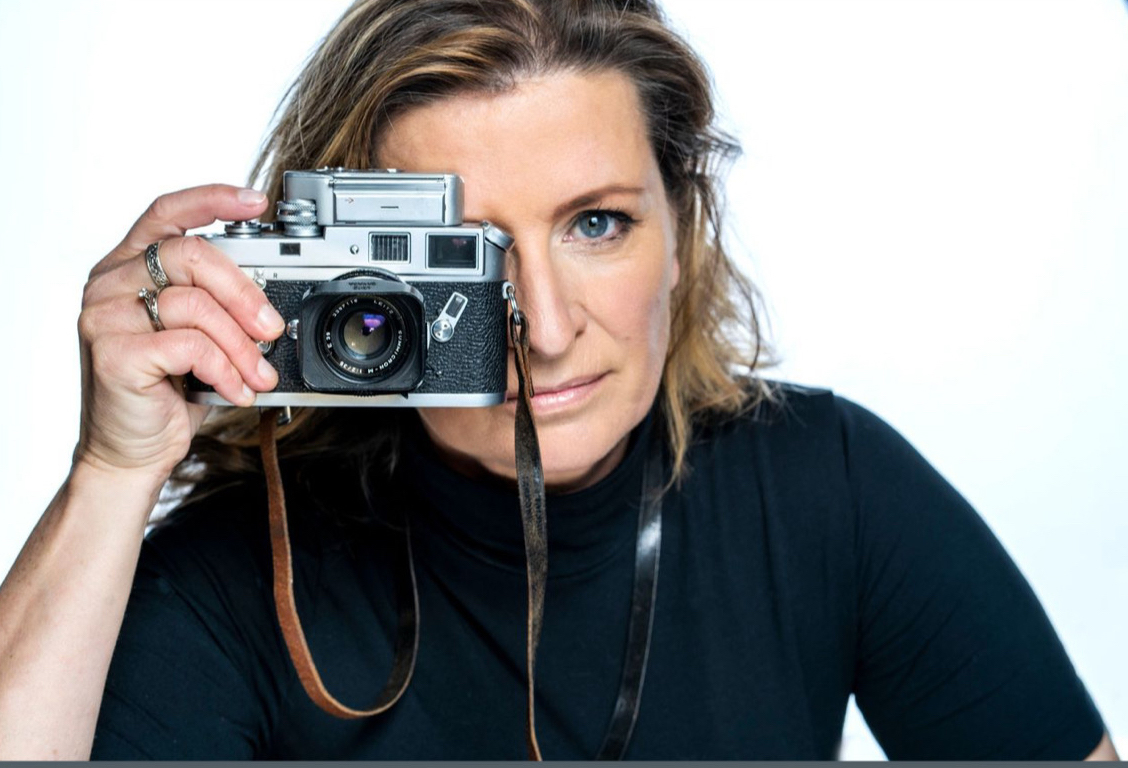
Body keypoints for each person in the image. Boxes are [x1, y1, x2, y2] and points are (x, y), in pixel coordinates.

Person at [0, 0, 1118, 759]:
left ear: (682, 231)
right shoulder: (236, 572)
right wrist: (112, 473)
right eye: (467, 255)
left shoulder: (827, 490)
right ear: (343, 272)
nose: (543, 326)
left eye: (596, 223)